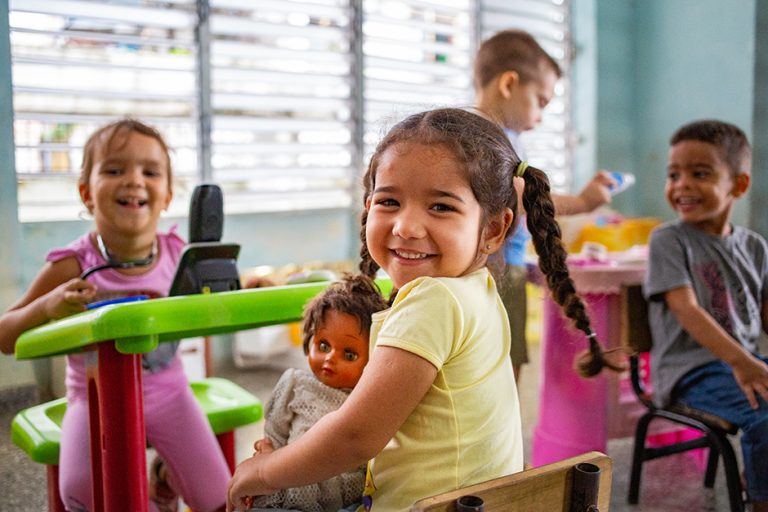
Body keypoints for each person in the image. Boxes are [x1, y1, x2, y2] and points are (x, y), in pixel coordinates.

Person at [227, 107, 614, 512]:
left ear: (493, 229)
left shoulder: (434, 301)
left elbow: (355, 437)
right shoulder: (478, 289)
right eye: (389, 201)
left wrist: (264, 471)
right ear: (369, 206)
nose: (406, 227)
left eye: (441, 207)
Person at [0, 119, 230, 512]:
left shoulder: (179, 255)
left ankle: (163, 475)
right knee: (84, 494)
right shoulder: (72, 264)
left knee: (220, 499)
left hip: (170, 393)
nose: (134, 180)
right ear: (86, 193)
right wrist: (48, 305)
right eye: (114, 169)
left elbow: (219, 301)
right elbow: (5, 336)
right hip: (94, 400)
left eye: (150, 172)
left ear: (167, 195)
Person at [473, 29, 616, 381]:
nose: (540, 116)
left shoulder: (498, 137)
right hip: (496, 270)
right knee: (505, 363)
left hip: (503, 265)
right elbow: (517, 197)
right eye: (540, 101)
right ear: (509, 84)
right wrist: (583, 202)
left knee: (497, 359)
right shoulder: (489, 138)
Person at [644, 119, 768, 511]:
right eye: (674, 175)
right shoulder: (668, 240)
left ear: (738, 185)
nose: (682, 185)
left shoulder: (755, 246)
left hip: (741, 363)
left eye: (699, 174)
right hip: (690, 372)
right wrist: (743, 363)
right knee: (765, 418)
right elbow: (687, 309)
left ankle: (759, 474)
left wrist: (747, 363)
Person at [245, 273, 389, 512]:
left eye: (349, 354)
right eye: (323, 345)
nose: (330, 358)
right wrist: (266, 455)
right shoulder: (295, 384)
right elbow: (275, 432)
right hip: (289, 489)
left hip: (348, 500)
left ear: (374, 358)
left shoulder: (369, 398)